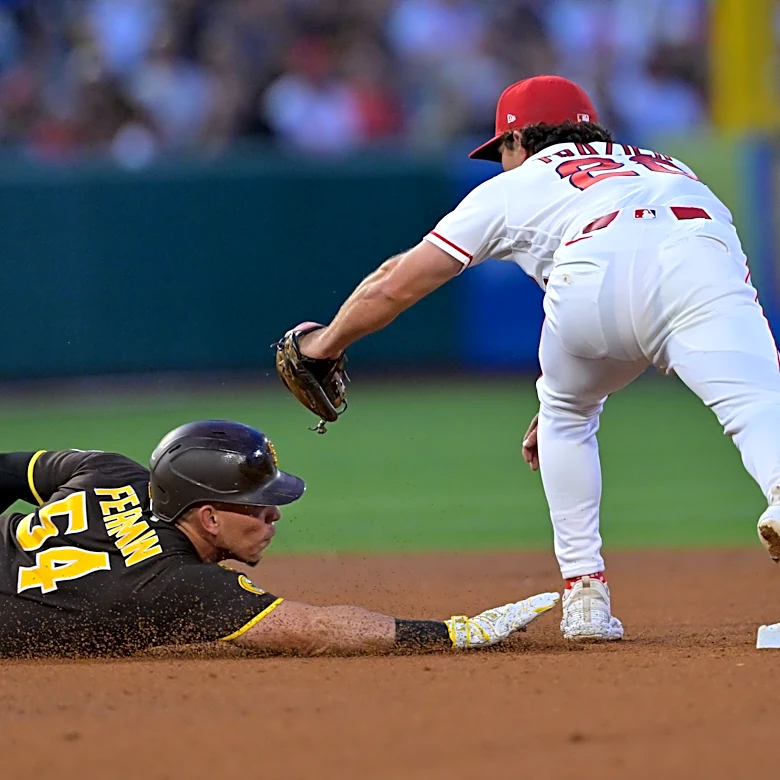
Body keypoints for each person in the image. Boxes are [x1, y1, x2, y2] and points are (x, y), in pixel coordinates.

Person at [288, 74, 780, 642]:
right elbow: (666, 289)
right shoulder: (670, 167)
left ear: (518, 143)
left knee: (566, 417)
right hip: (700, 261)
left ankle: (585, 599)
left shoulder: (519, 183)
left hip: (588, 275)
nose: (501, 161)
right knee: (756, 405)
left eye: (500, 149)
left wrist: (325, 344)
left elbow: (396, 284)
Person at [0, 420, 557, 657]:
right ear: (209, 517)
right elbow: (316, 629)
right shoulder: (178, 586)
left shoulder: (108, 473)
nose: (273, 515)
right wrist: (455, 632)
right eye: (257, 506)